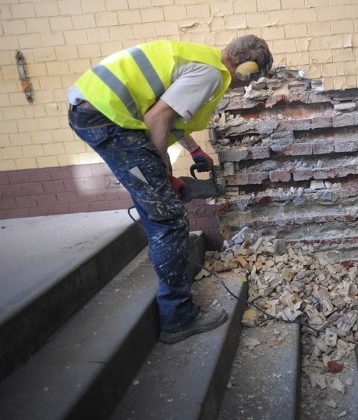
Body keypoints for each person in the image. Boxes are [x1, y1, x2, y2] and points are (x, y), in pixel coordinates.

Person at [67, 35, 273, 344]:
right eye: (248, 81)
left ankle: (166, 269)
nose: (243, 87)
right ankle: (178, 318)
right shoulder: (211, 74)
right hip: (106, 118)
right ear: (245, 69)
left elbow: (166, 110)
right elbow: (156, 119)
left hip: (96, 110)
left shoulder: (201, 59)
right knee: (170, 219)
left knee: (157, 205)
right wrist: (163, 170)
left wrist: (192, 150)